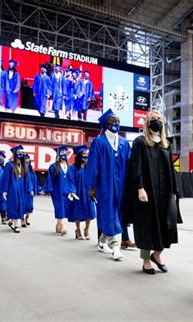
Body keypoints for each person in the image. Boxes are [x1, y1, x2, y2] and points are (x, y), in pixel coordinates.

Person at [123, 111, 181, 274]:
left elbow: (172, 169)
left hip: (165, 192)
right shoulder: (140, 142)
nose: (157, 122)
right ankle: (146, 260)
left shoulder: (166, 144)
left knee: (167, 225)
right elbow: (136, 166)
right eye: (153, 119)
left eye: (159, 119)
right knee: (147, 226)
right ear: (147, 123)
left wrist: (175, 190)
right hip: (148, 192)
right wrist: (140, 188)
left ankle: (157, 254)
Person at [85, 109, 130, 260]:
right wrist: (91, 186)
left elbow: (130, 165)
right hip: (104, 185)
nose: (116, 124)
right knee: (110, 214)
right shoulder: (99, 142)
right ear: (106, 124)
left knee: (117, 214)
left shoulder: (124, 143)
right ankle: (115, 247)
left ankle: (102, 241)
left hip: (122, 184)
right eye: (113, 122)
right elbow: (93, 165)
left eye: (118, 122)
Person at [1, 145, 34, 233]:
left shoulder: (25, 166)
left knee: (20, 206)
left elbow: (28, 179)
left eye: (21, 153)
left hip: (22, 189)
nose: (20, 154)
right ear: (15, 154)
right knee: (14, 206)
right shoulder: (9, 165)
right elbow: (5, 178)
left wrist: (30, 189)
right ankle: (15, 226)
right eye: (18, 153)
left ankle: (11, 222)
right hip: (12, 189)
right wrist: (5, 191)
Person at [67, 145, 96, 240]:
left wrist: (94, 190)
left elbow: (94, 177)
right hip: (77, 192)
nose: (86, 156)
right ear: (79, 155)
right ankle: (78, 230)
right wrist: (72, 191)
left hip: (88, 192)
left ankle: (86, 229)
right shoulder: (73, 168)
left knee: (89, 210)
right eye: (84, 154)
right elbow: (70, 179)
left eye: (87, 154)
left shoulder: (89, 166)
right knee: (77, 211)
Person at [44, 146, 70, 235]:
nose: (64, 155)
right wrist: (49, 190)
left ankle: (58, 225)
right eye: (62, 153)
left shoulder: (68, 166)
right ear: (58, 155)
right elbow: (50, 179)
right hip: (57, 191)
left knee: (64, 209)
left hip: (67, 191)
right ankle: (62, 226)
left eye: (65, 153)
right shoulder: (53, 166)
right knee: (60, 208)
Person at [24, 154, 38, 227]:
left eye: (28, 159)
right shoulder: (22, 169)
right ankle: (22, 220)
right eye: (26, 159)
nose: (27, 160)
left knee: (29, 206)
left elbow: (34, 180)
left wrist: (34, 190)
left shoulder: (31, 169)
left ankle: (27, 218)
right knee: (23, 205)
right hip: (24, 190)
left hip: (30, 190)